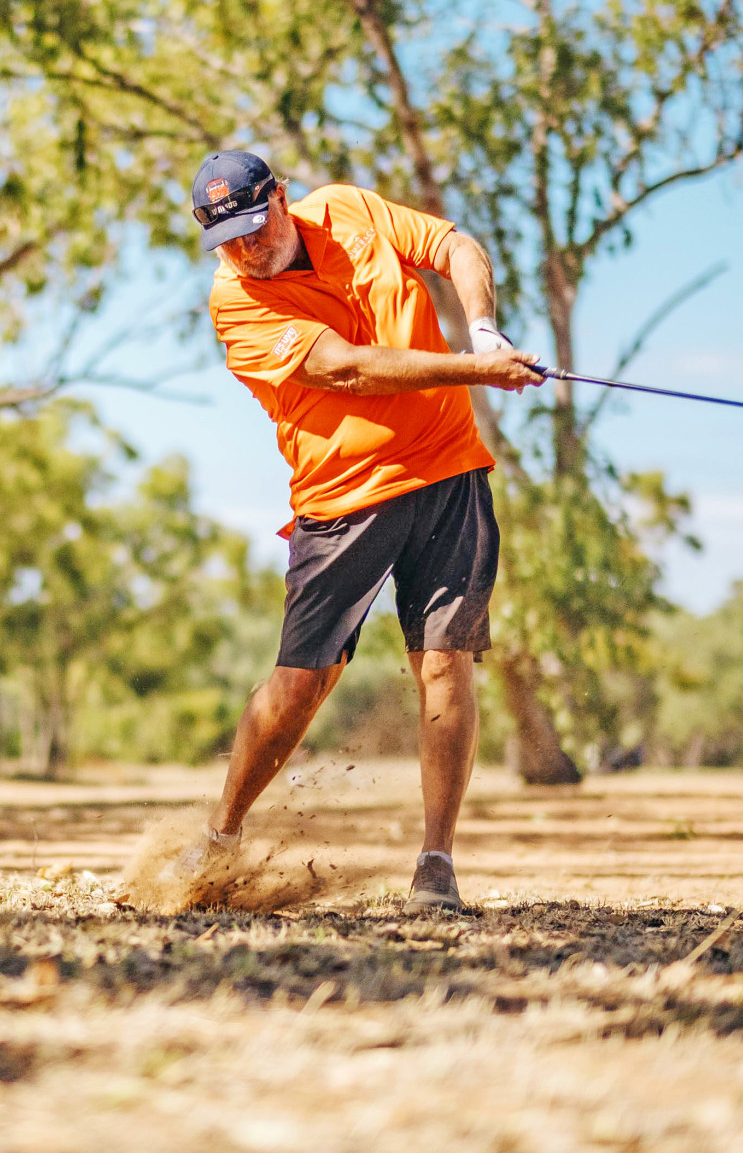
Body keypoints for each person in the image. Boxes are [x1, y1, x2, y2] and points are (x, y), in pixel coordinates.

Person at [177, 149, 544, 911]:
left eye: (253, 226)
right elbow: (347, 369)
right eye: (229, 241)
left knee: (445, 663)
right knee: (303, 682)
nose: (247, 250)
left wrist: (481, 331)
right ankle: (220, 835)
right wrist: (475, 373)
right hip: (344, 494)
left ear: (280, 197)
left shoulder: (347, 208)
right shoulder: (235, 302)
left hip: (448, 468)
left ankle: (436, 861)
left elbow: (454, 246)